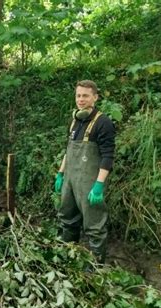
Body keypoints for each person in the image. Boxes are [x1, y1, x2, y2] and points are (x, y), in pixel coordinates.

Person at [55, 80, 116, 264]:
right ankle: (67, 256)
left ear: (95, 97)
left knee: (94, 225)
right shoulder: (75, 120)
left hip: (90, 182)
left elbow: (107, 156)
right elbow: (68, 149)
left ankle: (96, 266)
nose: (81, 99)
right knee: (67, 218)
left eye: (85, 96)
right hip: (70, 180)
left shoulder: (103, 123)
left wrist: (98, 185)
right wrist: (60, 173)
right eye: (78, 95)